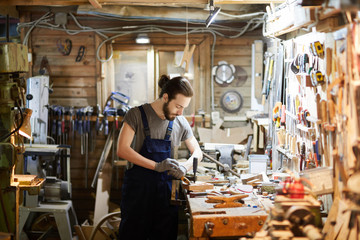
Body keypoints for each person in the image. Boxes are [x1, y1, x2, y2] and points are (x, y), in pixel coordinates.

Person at [117, 75, 203, 240]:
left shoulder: (179, 121)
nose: (180, 112)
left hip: (165, 196)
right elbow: (122, 149)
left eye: (184, 108)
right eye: (178, 106)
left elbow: (198, 153)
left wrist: (185, 167)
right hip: (138, 194)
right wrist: (156, 166)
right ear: (165, 97)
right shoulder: (136, 115)